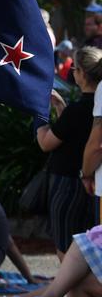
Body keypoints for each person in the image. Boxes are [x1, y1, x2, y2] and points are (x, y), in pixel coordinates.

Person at [41, 47, 102, 256]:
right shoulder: (86, 107)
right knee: (92, 248)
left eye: (74, 69)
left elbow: (46, 142)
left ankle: (72, 289)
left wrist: (38, 113)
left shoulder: (79, 109)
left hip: (69, 184)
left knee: (66, 249)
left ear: (82, 74)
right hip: (93, 185)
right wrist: (60, 107)